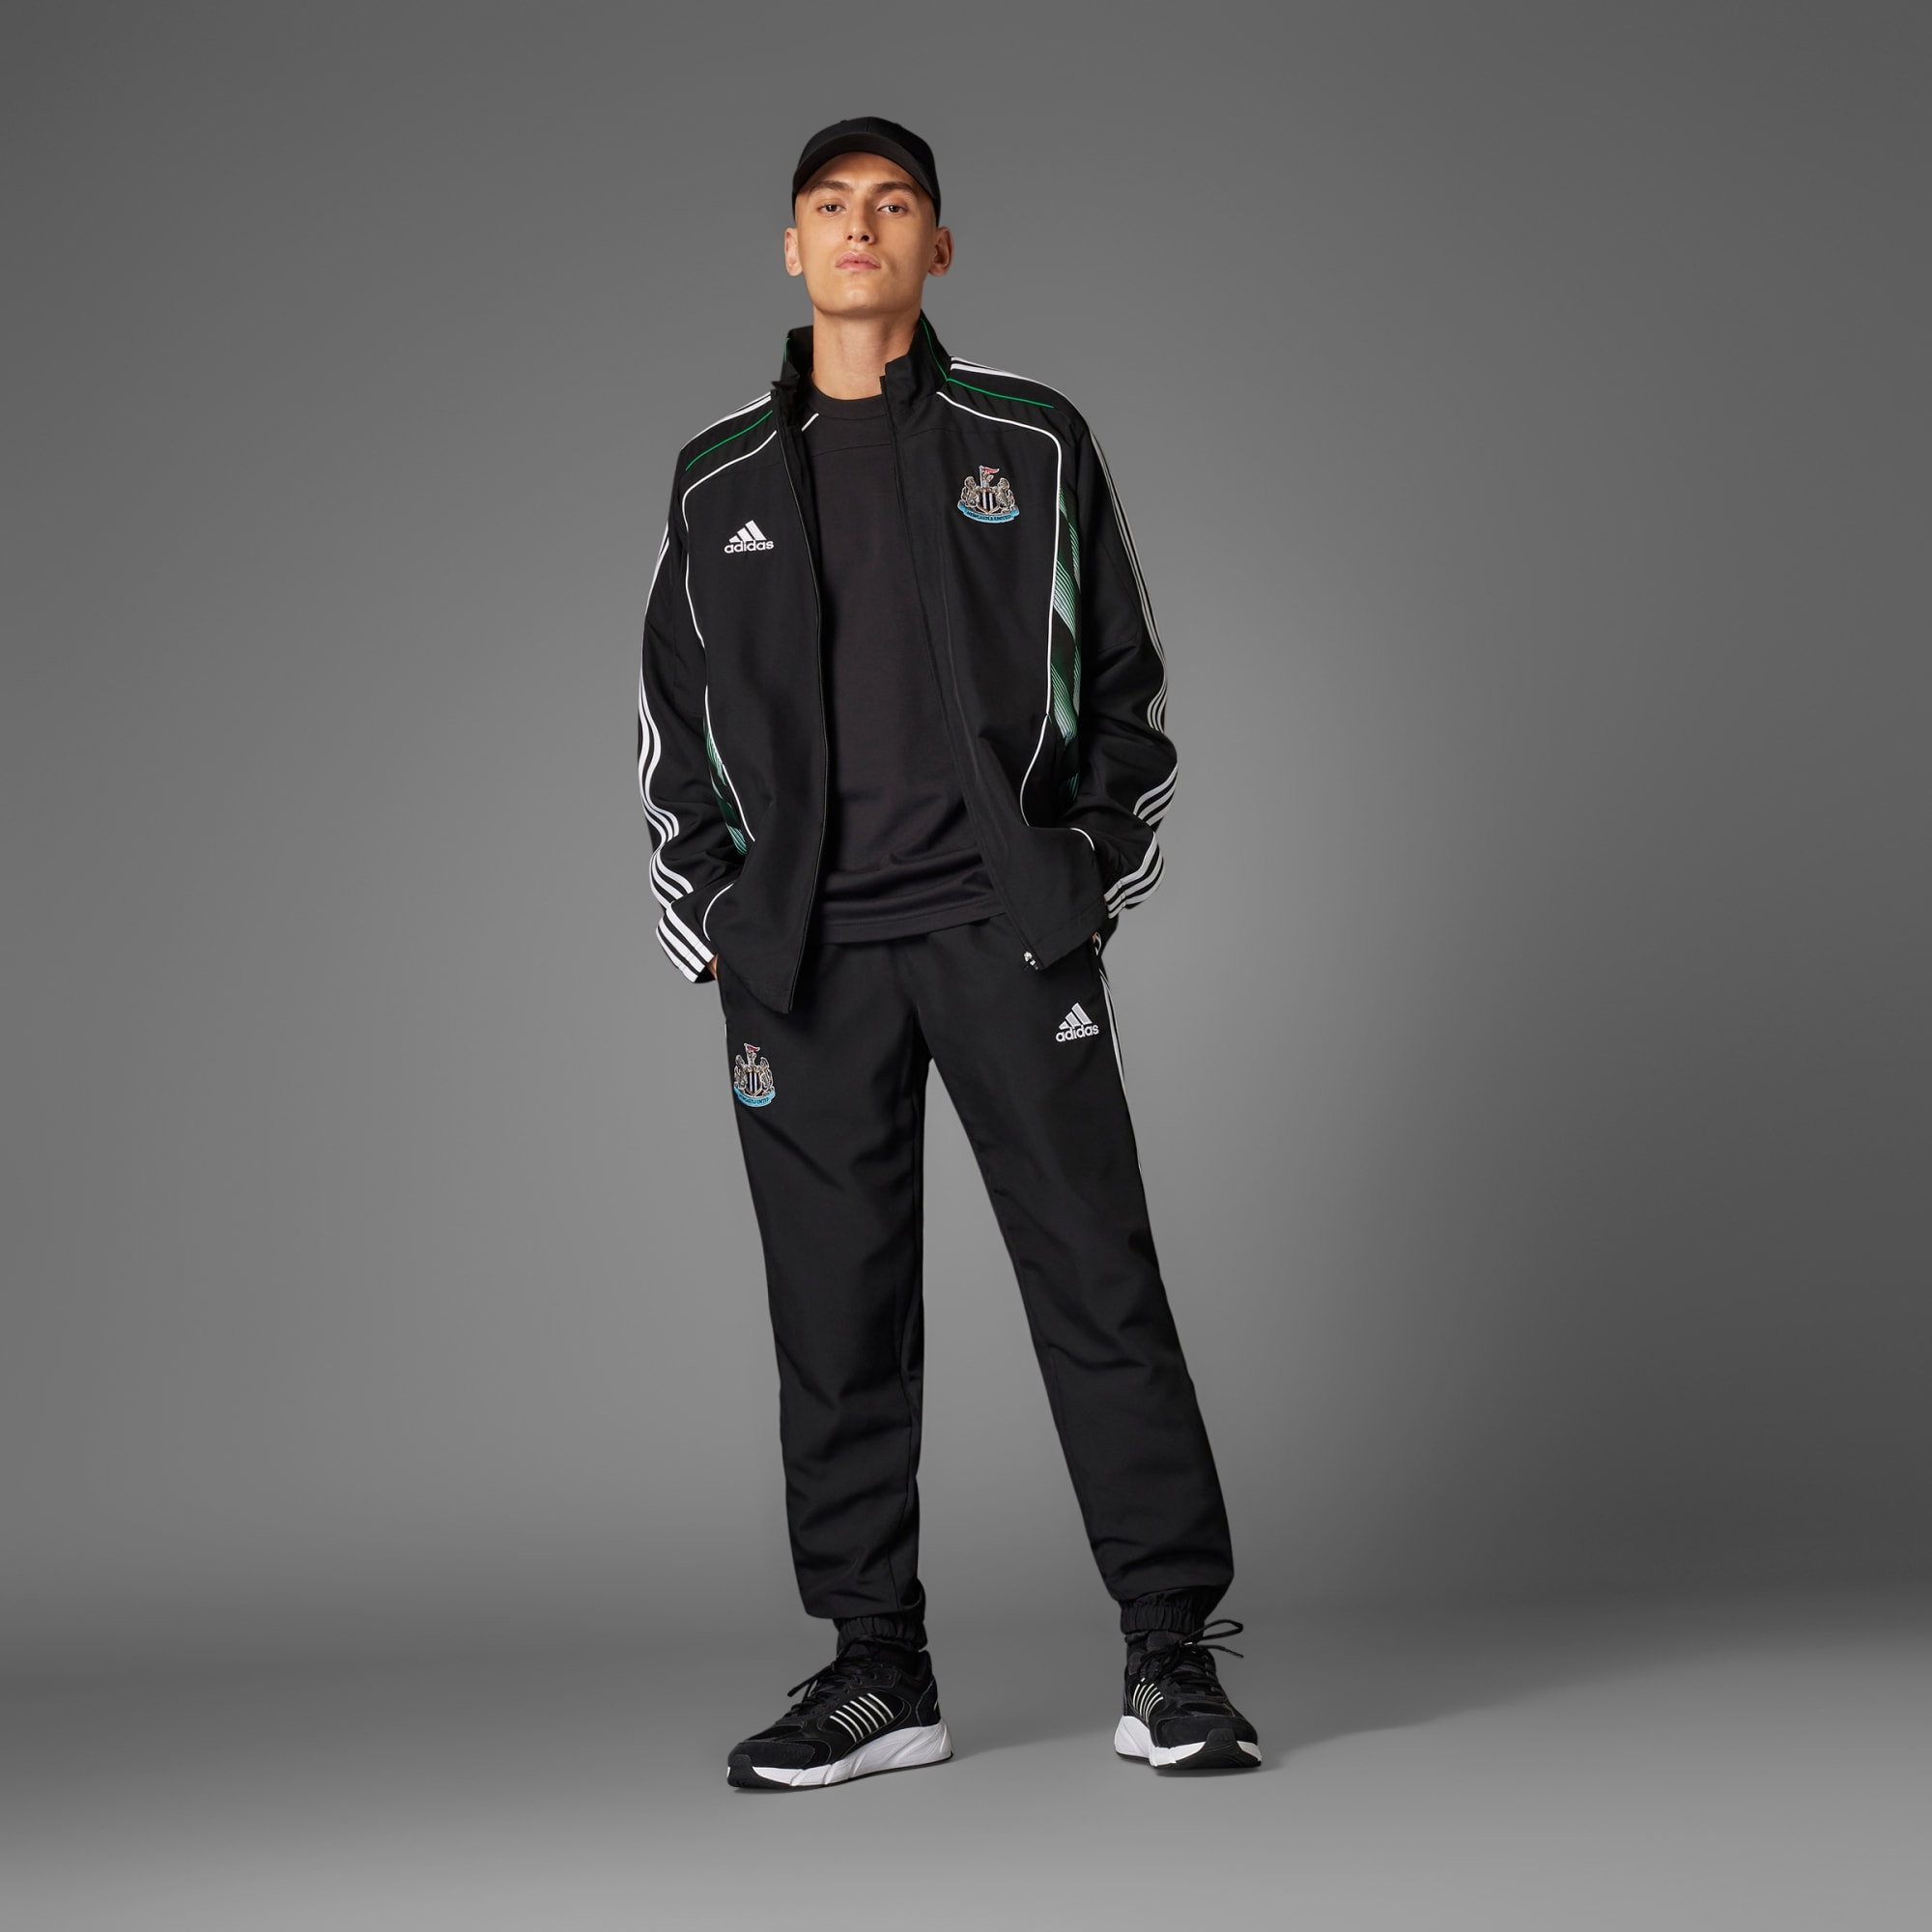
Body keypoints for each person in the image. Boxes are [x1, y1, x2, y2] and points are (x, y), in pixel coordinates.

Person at [636, 116, 1258, 1787]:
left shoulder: (1031, 442)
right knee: (833, 1317)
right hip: (806, 966)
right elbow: (670, 728)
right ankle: (877, 1671)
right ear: (791, 247)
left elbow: (1127, 687)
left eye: (895, 204)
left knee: (1099, 1283)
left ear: (938, 247)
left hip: (1004, 936)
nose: (863, 228)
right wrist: (727, 930)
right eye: (831, 207)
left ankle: (1170, 1653)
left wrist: (1078, 883)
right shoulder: (716, 477)